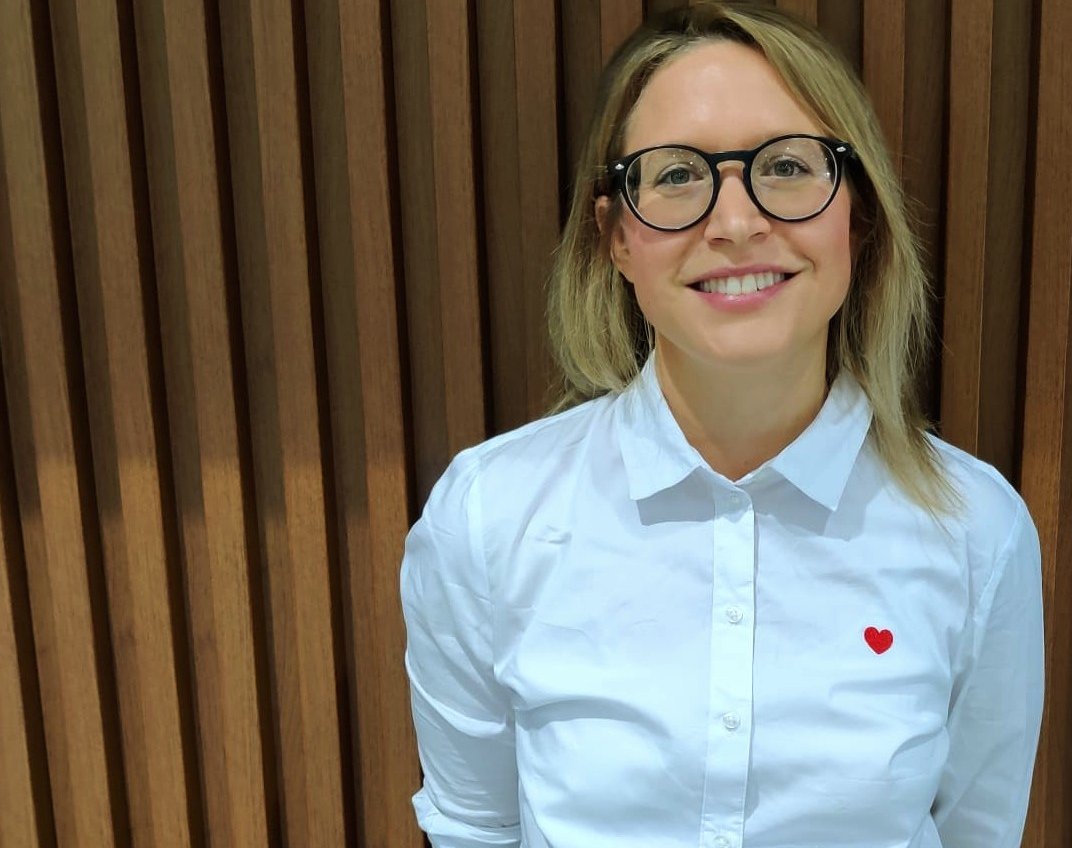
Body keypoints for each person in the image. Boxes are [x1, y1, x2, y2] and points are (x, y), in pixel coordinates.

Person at [400, 3, 1044, 846]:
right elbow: (473, 830)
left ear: (860, 215)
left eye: (785, 166)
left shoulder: (975, 530)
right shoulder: (487, 519)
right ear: (616, 240)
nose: (736, 223)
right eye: (674, 176)